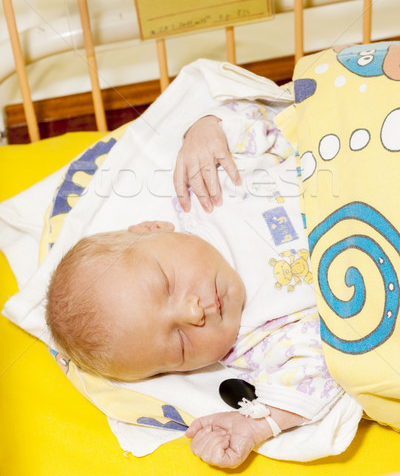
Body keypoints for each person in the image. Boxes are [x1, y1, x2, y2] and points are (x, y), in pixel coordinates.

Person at [46, 100, 361, 468]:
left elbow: (268, 124)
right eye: (180, 344)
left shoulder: (206, 194)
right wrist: (255, 426)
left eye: (167, 283)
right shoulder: (257, 342)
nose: (193, 312)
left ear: (152, 228)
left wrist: (208, 128)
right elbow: (320, 375)